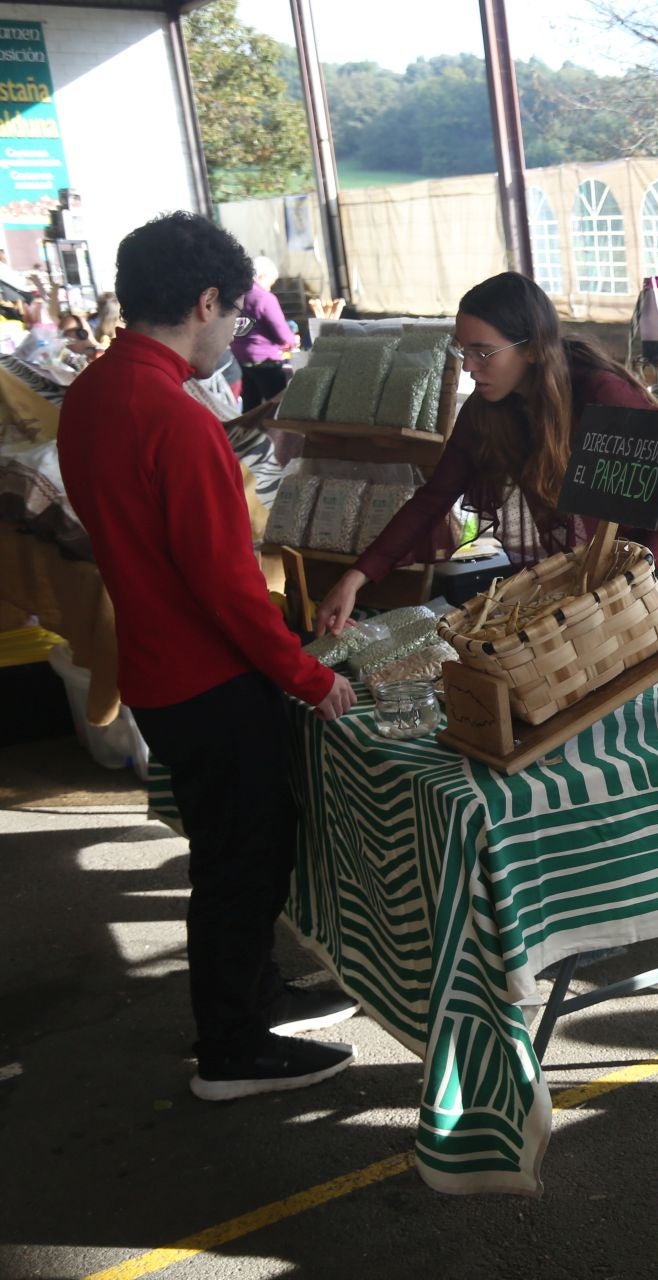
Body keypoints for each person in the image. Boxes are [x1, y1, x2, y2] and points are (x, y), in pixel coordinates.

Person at [57, 212, 361, 1100]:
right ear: (205, 302)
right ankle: (232, 1047)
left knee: (232, 850)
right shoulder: (173, 418)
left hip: (157, 671)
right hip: (211, 679)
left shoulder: (97, 391)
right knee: (242, 861)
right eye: (233, 314)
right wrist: (308, 675)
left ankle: (256, 994)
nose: (236, 332)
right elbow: (228, 588)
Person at [315, 272, 658, 630]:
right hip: (607, 567)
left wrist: (646, 563)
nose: (469, 368)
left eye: (483, 352)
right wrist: (356, 577)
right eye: (463, 351)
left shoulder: (597, 391)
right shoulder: (486, 411)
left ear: (530, 348)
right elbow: (433, 498)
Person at [233, 256, 299, 410]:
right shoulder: (264, 297)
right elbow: (281, 332)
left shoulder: (238, 294)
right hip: (265, 360)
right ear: (262, 276)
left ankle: (249, 433)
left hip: (241, 356)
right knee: (279, 406)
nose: (271, 286)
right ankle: (280, 434)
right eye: (271, 281)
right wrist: (293, 340)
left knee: (250, 406)